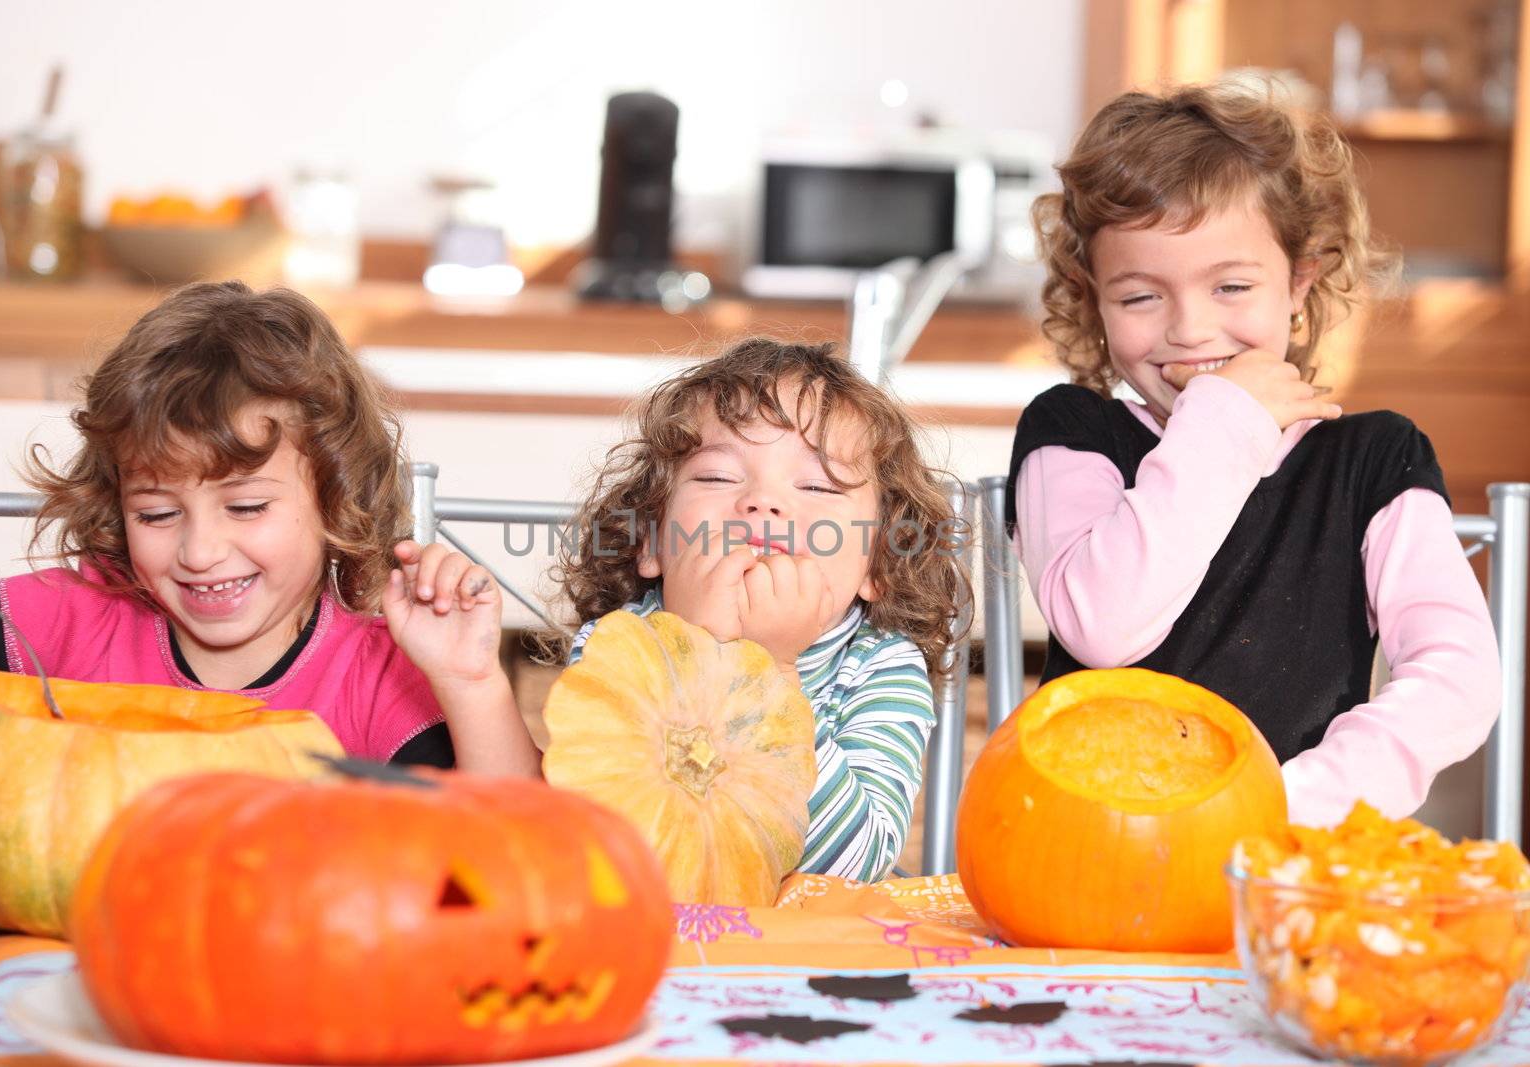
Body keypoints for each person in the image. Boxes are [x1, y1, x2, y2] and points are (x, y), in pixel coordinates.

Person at [1008, 80, 1499, 826]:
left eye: (1232, 286)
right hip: (1094, 851)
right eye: (1141, 297)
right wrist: (1224, 422)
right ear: (1094, 297)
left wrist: (1293, 800)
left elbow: (1458, 677)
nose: (1191, 330)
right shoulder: (1071, 433)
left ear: (1299, 282)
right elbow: (1104, 624)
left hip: (1291, 846)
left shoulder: (1375, 461)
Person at [0, 281, 539, 775]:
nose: (201, 551)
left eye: (246, 508)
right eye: (157, 514)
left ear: (335, 498)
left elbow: (514, 848)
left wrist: (471, 684)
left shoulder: (385, 676)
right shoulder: (59, 623)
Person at [553, 337, 967, 880]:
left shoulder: (881, 667)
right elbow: (595, 842)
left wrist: (769, 671)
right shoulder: (621, 643)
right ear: (651, 541)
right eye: (717, 477)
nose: (763, 502)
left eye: (817, 485)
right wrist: (703, 652)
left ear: (879, 565)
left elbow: (851, 865)